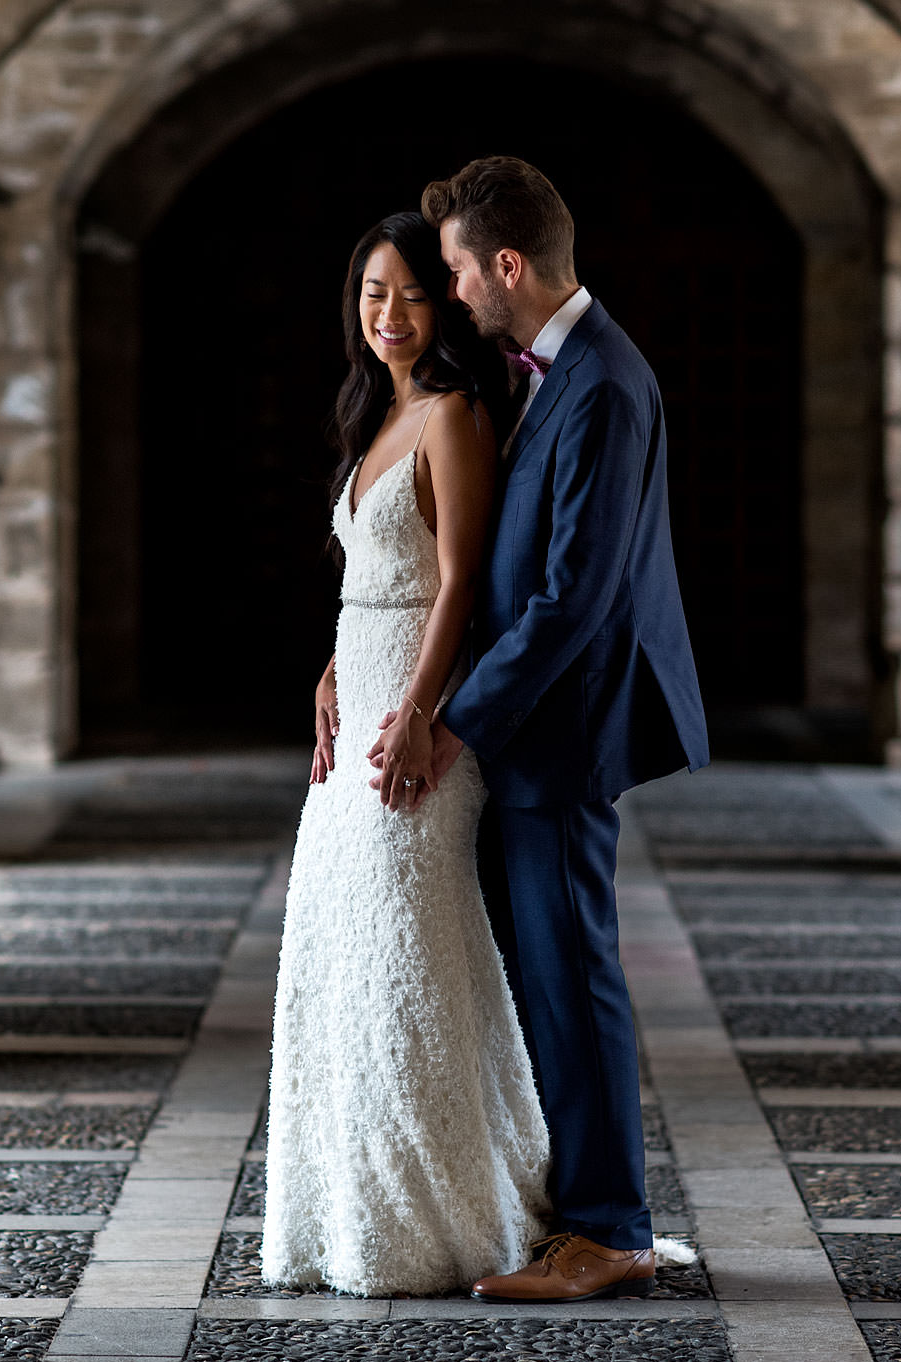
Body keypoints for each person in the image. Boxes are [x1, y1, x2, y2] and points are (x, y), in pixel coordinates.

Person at [377, 156, 708, 1303]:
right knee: (546, 974)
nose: (455, 291)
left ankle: (609, 1227)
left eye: (461, 270)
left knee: (573, 974)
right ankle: (567, 1206)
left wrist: (451, 724)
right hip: (530, 727)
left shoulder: (604, 383)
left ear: (507, 264)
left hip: (558, 731)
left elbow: (573, 595)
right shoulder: (550, 372)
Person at [260, 210, 549, 1297]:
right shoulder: (373, 414)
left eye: (410, 294)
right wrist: (333, 669)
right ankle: (349, 1209)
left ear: (443, 303)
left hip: (419, 729)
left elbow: (462, 581)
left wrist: (424, 710)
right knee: (342, 959)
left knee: (410, 959)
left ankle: (440, 1217)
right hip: (358, 708)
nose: (387, 313)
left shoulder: (453, 415)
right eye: (372, 293)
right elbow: (369, 580)